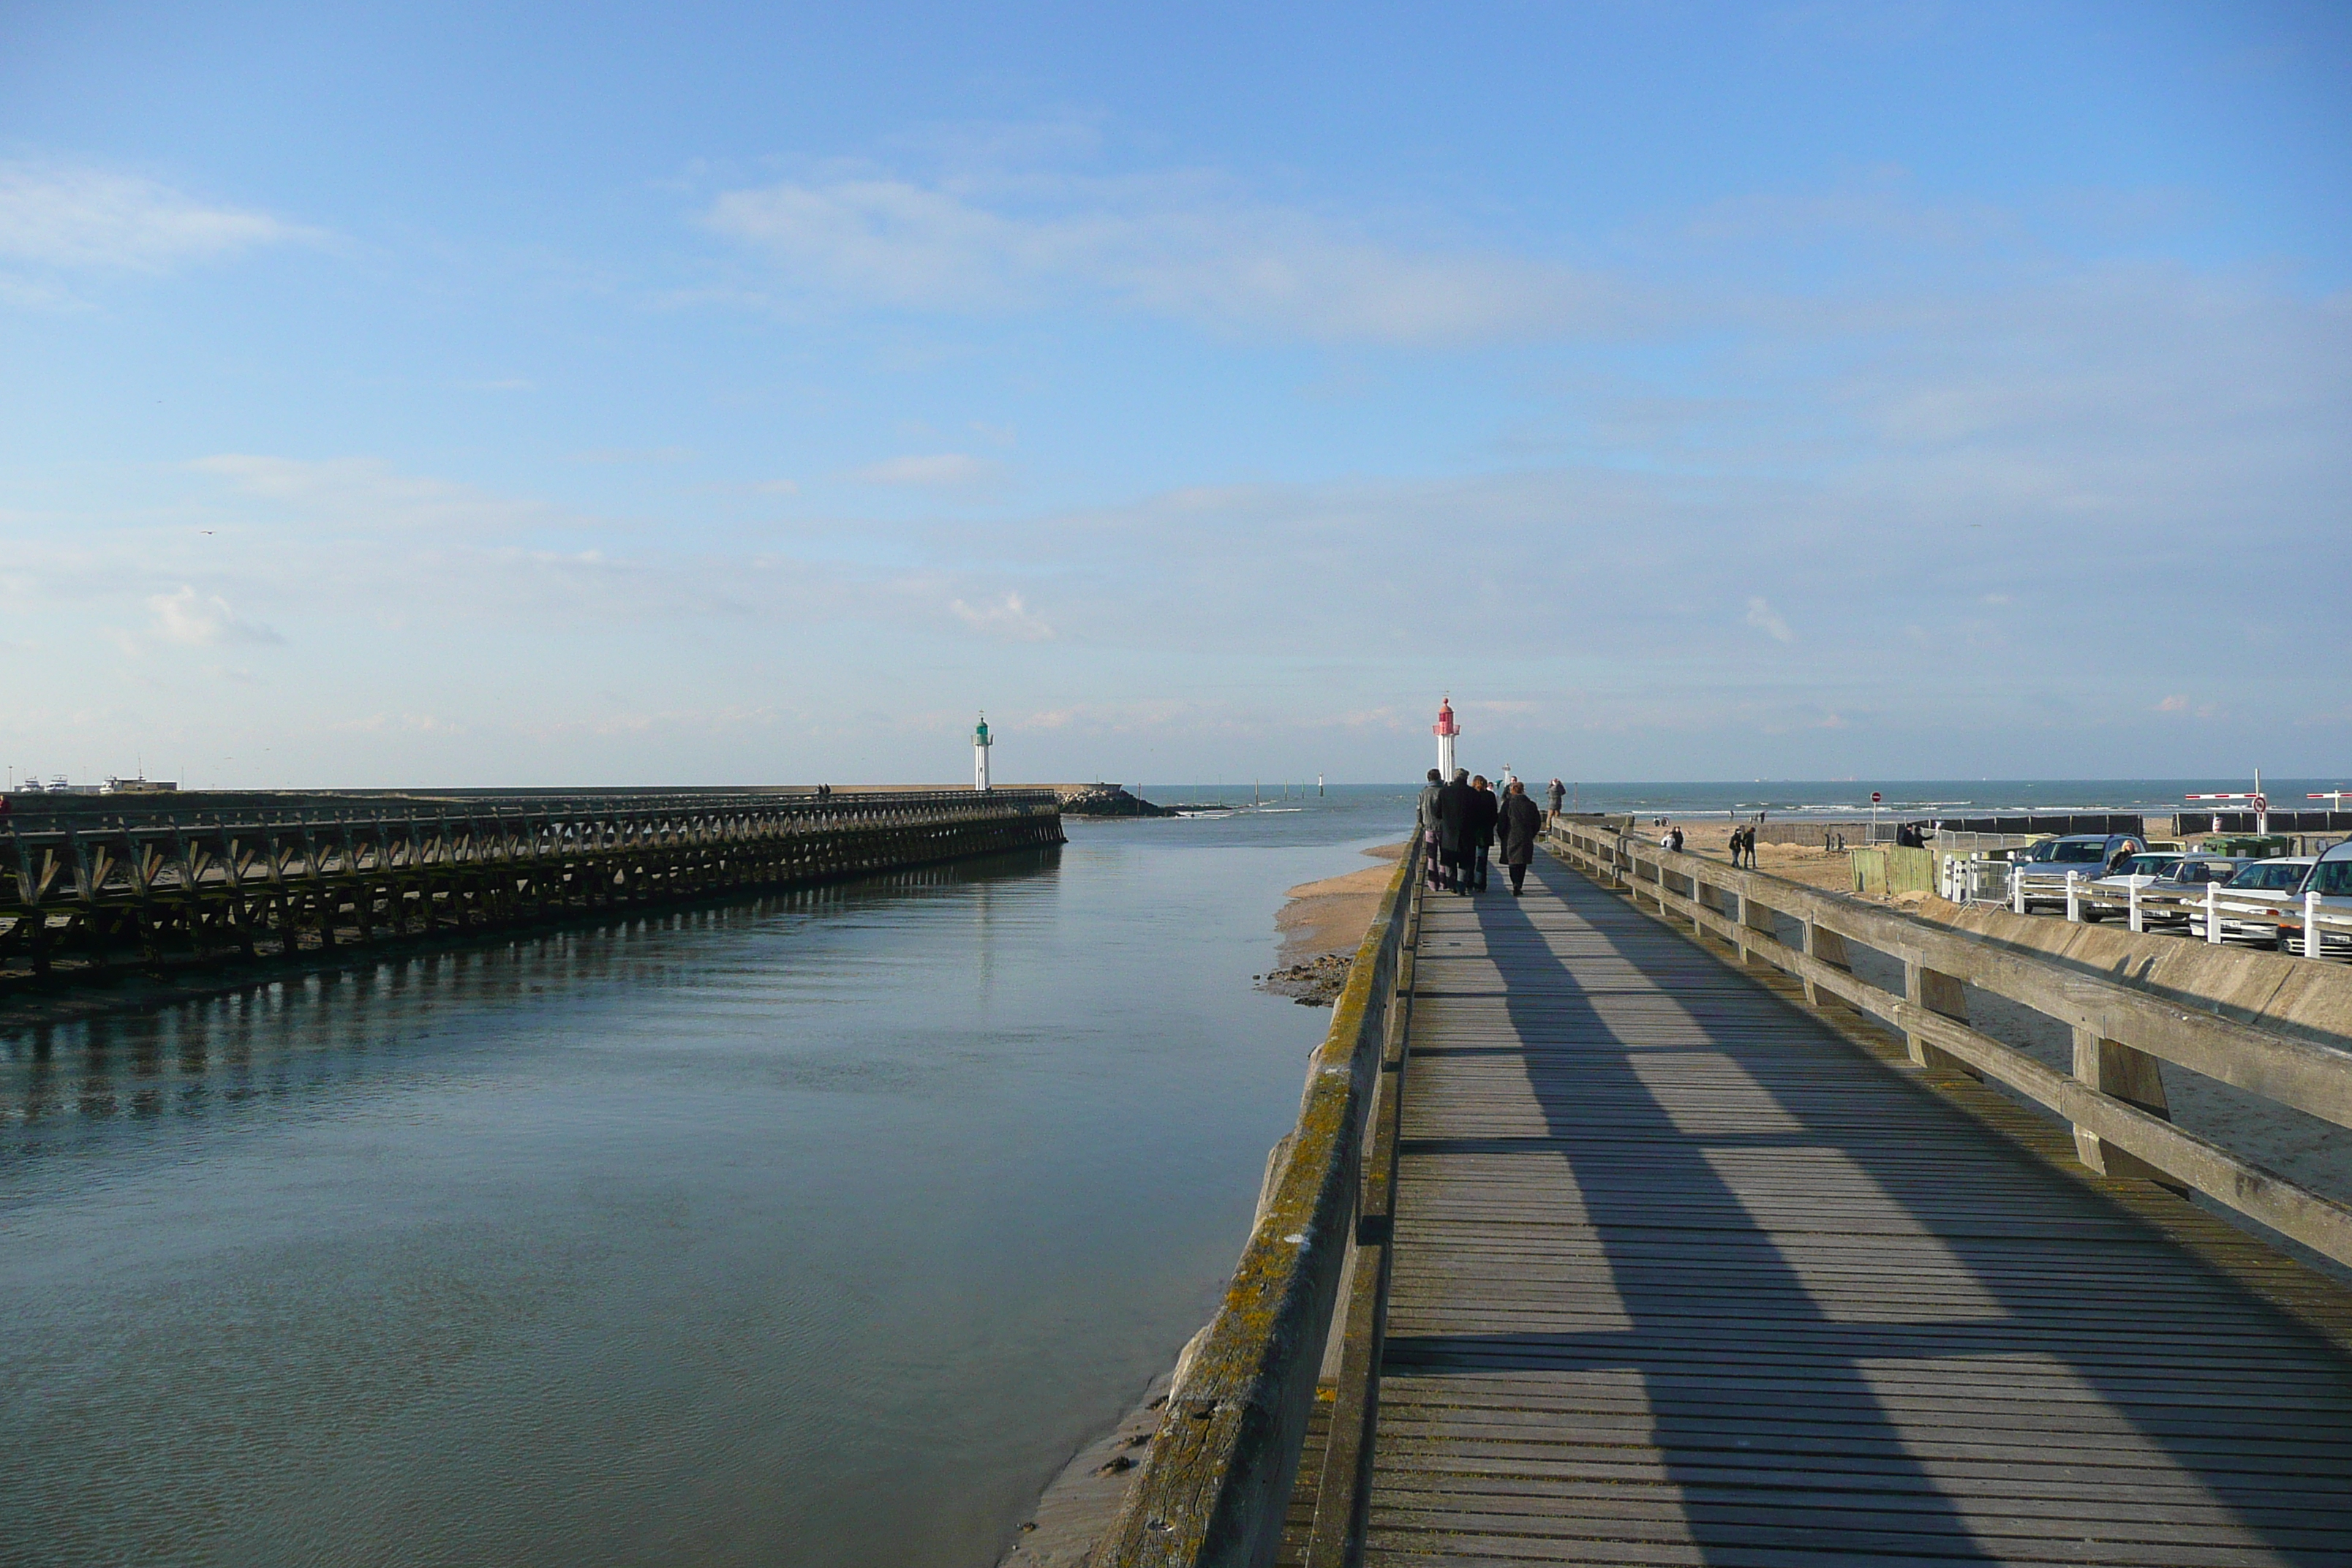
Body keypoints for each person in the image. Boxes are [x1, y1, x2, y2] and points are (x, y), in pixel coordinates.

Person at [1499, 780, 1542, 895]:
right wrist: (1531, 834)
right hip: (1525, 837)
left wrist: (1502, 836)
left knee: (1512, 862)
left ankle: (1515, 883)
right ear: (1523, 790)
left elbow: (1501, 822)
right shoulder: (1531, 805)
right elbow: (1537, 823)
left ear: (1512, 790)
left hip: (1510, 837)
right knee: (1522, 862)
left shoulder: (1508, 804)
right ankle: (1519, 884)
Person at [1436, 768, 1476, 894]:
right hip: (1467, 832)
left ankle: (1452, 884)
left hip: (1449, 832)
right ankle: (1461, 886)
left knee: (1450, 861)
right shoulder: (1472, 793)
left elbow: (1437, 813)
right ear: (1466, 778)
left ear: (1454, 778)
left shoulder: (1444, 792)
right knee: (1464, 862)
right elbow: (1478, 814)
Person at [1415, 769, 1445, 889]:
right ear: (1439, 778)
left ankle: (1433, 884)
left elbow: (1419, 811)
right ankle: (1444, 882)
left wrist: (1421, 822)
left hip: (1429, 827)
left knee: (1431, 857)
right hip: (1444, 828)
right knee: (1445, 856)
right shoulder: (1443, 791)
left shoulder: (1423, 793)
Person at [1470, 774, 1499, 892]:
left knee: (1471, 859)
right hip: (1485, 831)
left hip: (1471, 831)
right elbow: (1494, 814)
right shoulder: (1490, 796)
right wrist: (1491, 826)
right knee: (1482, 859)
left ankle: (1470, 882)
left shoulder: (1471, 795)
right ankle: (1480, 884)